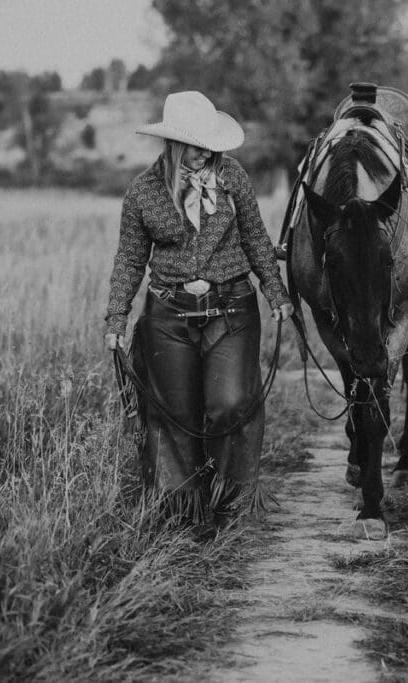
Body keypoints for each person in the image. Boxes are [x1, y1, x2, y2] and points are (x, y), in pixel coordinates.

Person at [104, 91, 293, 529]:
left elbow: (256, 238)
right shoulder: (143, 193)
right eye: (195, 142)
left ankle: (229, 495)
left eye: (208, 141)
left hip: (231, 309)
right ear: (173, 144)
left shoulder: (232, 177)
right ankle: (186, 510)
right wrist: (116, 318)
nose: (204, 150)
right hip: (168, 314)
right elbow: (130, 259)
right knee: (175, 414)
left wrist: (276, 292)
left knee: (230, 403)